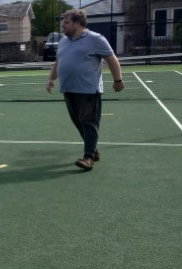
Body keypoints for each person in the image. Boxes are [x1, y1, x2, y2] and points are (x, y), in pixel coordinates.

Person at [46, 9, 123, 171]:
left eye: (66, 22)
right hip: (68, 89)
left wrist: (118, 80)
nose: (62, 26)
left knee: (89, 122)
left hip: (88, 90)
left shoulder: (96, 39)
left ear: (77, 23)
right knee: (79, 123)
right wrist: (51, 79)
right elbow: (58, 61)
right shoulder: (63, 41)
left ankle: (88, 158)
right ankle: (93, 151)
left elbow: (112, 59)